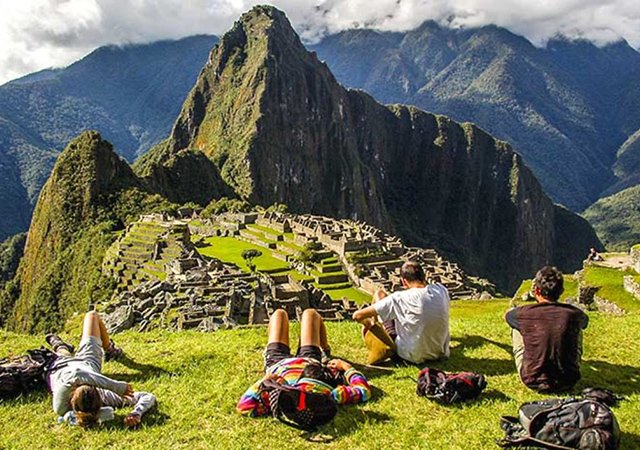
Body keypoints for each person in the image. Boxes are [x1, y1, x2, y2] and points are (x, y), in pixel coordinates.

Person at [236, 308, 371, 417]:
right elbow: (363, 391)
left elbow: (244, 406)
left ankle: (324, 351)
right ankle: (325, 350)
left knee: (279, 314)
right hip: (309, 361)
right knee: (310, 314)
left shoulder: (281, 395)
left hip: (278, 364)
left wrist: (264, 381)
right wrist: (346, 367)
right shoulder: (330, 395)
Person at [46, 311, 156, 428]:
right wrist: (136, 412)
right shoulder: (104, 396)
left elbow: (76, 375)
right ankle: (108, 350)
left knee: (91, 318)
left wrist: (116, 387)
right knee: (91, 316)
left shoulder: (60, 405)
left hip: (58, 365)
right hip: (88, 364)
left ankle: (60, 345)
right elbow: (147, 396)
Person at [505, 266, 589, 392]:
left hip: (532, 380)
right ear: (561, 291)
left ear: (537, 291)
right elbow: (585, 322)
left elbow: (507, 316)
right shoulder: (574, 314)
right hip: (568, 381)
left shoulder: (523, 314)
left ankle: (532, 362)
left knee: (516, 326)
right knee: (577, 326)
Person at [352, 261, 450, 364]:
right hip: (440, 352)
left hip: (410, 355)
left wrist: (371, 324)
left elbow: (357, 316)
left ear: (404, 282)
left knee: (379, 294)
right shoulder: (441, 290)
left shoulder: (399, 298)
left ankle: (381, 342)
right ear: (424, 276)